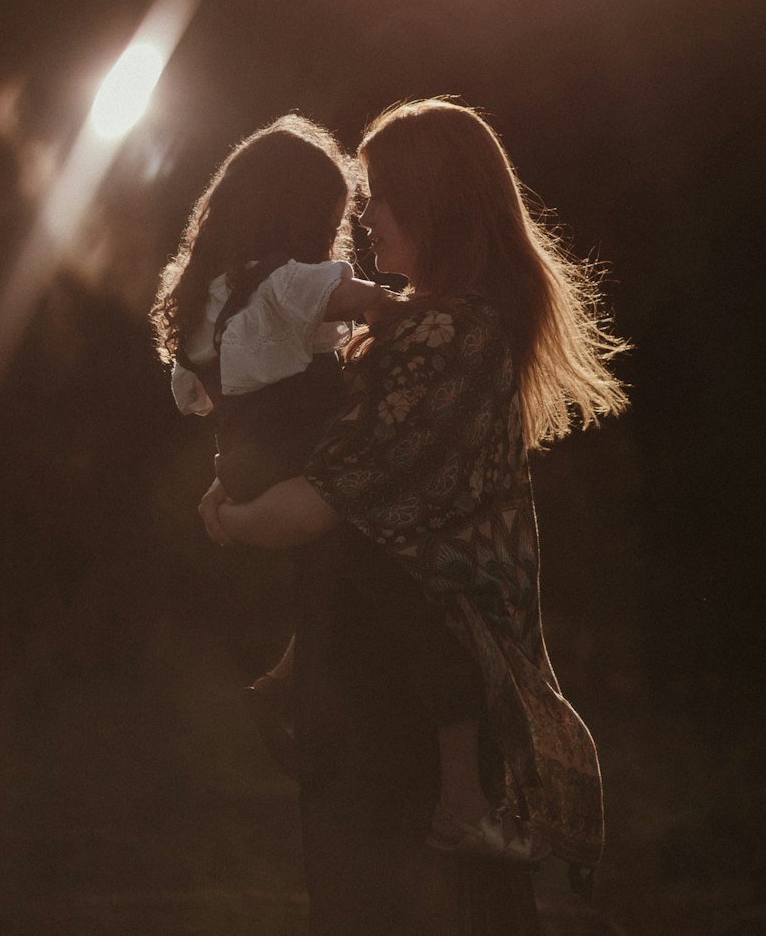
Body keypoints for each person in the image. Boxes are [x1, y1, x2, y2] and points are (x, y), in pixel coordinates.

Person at [201, 98, 627, 931]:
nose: (365, 217)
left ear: (438, 202)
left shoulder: (446, 339)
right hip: (374, 692)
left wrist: (231, 519)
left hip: (396, 709)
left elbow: (329, 499)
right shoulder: (421, 329)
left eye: (383, 194)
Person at [154, 114, 508, 850]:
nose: (355, 225)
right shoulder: (291, 284)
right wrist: (406, 307)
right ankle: (461, 796)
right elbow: (371, 304)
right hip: (306, 469)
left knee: (336, 585)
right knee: (421, 622)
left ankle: (283, 678)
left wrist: (230, 487)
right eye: (344, 210)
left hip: (247, 465)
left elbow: (201, 399)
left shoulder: (206, 299)